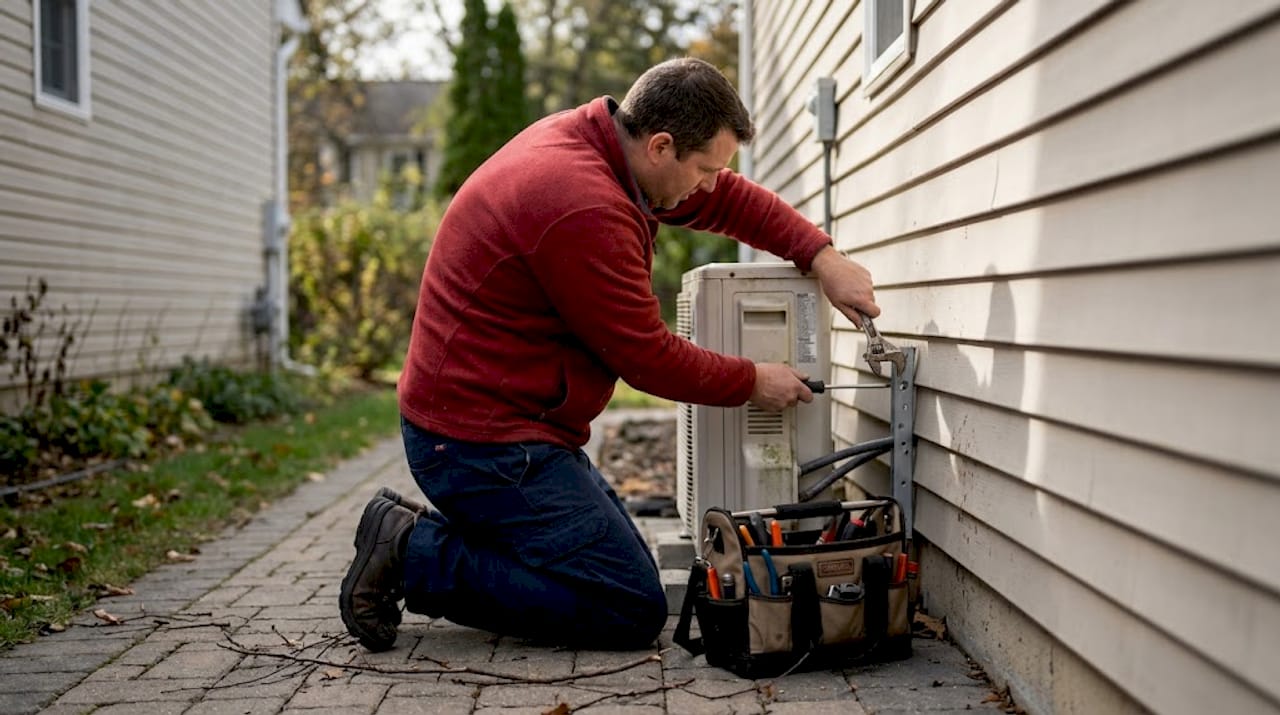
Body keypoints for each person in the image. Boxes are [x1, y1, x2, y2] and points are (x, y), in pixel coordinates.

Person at [339, 57, 881, 652]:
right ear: (661, 146)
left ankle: (419, 538)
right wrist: (754, 380)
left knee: (608, 567)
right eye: (705, 169)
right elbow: (646, 356)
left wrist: (821, 256)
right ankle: (411, 552)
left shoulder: (609, 150)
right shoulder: (583, 203)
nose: (709, 184)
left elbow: (727, 200)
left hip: (507, 427)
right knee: (626, 604)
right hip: (480, 446)